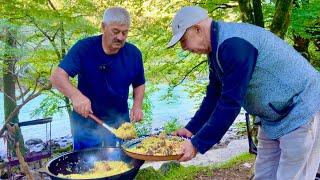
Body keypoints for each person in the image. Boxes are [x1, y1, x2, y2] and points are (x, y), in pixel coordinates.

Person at [168, 6, 320, 180]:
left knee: (292, 176)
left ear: (197, 28)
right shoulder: (216, 49)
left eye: (183, 40)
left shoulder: (234, 45)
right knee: (264, 175)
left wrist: (196, 144)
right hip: (273, 118)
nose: (184, 48)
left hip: (301, 108)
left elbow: (230, 103)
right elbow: (214, 94)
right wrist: (191, 128)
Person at [50, 7, 145, 150]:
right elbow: (57, 76)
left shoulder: (134, 54)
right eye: (115, 31)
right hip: (86, 125)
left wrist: (137, 106)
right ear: (103, 27)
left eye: (124, 33)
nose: (120, 37)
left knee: (122, 165)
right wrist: (76, 96)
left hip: (120, 125)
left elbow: (139, 83)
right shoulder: (84, 48)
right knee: (87, 166)